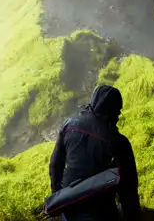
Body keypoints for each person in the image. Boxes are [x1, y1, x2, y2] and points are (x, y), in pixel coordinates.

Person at [48, 85, 140, 221]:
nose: (119, 116)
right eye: (118, 111)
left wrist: (58, 196)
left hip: (69, 207)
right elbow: (128, 191)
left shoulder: (70, 125)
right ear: (111, 110)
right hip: (101, 213)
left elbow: (55, 165)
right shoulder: (118, 142)